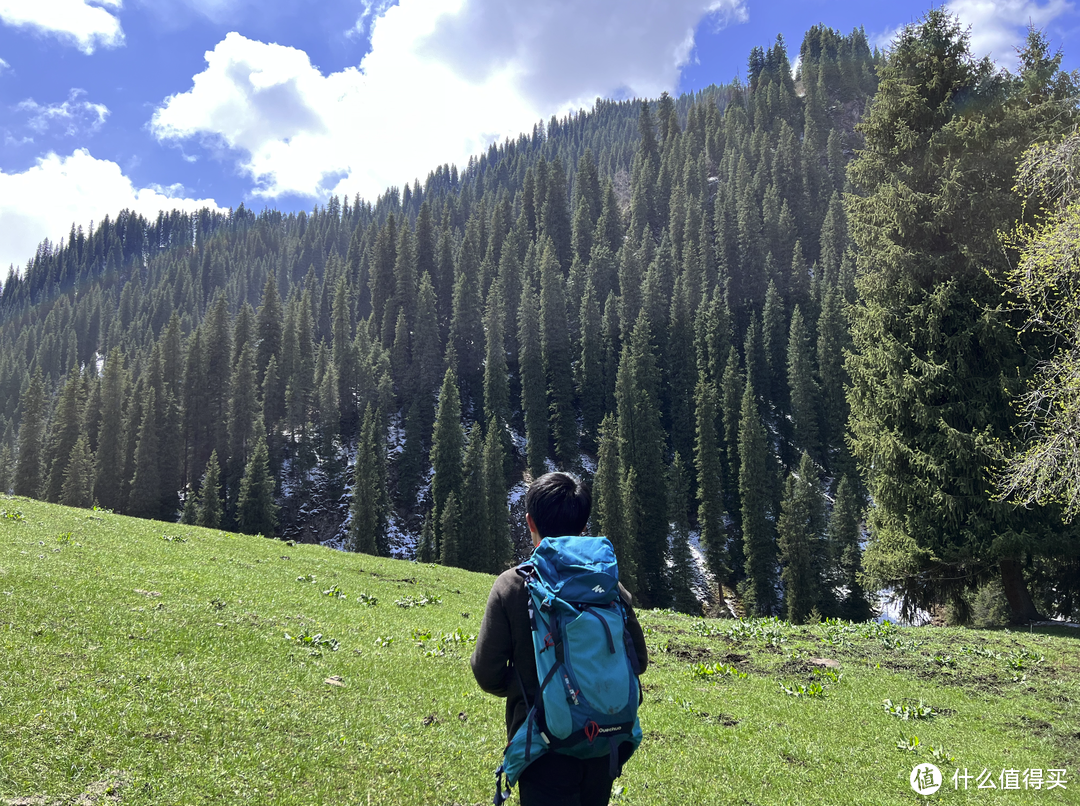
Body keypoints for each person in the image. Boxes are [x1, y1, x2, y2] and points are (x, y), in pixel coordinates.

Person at [470, 471, 649, 806]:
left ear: (529, 522)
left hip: (542, 743)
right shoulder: (610, 587)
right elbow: (638, 660)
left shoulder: (512, 586)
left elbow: (486, 671)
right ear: (583, 526)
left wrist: (530, 686)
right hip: (603, 741)